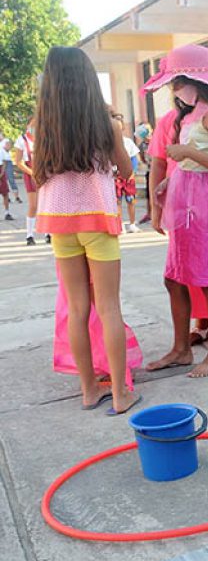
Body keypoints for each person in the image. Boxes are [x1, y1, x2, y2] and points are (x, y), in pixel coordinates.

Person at [33, 47, 142, 415]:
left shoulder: (43, 126)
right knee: (108, 307)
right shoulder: (105, 124)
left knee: (77, 308)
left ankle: (88, 389)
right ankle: (121, 394)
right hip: (97, 219)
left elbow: (35, 174)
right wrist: (118, 129)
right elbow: (126, 172)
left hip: (59, 224)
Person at [141, 44, 208, 378]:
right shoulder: (188, 116)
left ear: (195, 81)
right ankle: (181, 349)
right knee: (174, 278)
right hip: (185, 203)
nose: (174, 90)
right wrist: (168, 183)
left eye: (177, 82)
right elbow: (190, 162)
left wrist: (187, 151)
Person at [110, 111, 142, 233]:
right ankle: (120, 224)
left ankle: (132, 223)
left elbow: (134, 159)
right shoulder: (107, 143)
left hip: (128, 177)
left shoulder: (128, 142)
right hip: (114, 177)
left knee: (131, 200)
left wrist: (132, 172)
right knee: (117, 201)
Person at [14, 117, 41, 245]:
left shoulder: (44, 138)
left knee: (45, 204)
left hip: (44, 172)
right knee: (33, 205)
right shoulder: (22, 140)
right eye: (33, 124)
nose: (35, 127)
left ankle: (48, 233)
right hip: (30, 172)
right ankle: (29, 235)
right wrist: (32, 173)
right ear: (28, 125)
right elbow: (18, 162)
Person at [0, 135, 20, 205]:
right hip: (0, 163)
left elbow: (8, 147)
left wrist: (5, 147)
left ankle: (17, 197)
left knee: (11, 179)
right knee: (3, 180)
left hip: (7, 161)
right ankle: (6, 198)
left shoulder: (6, 140)